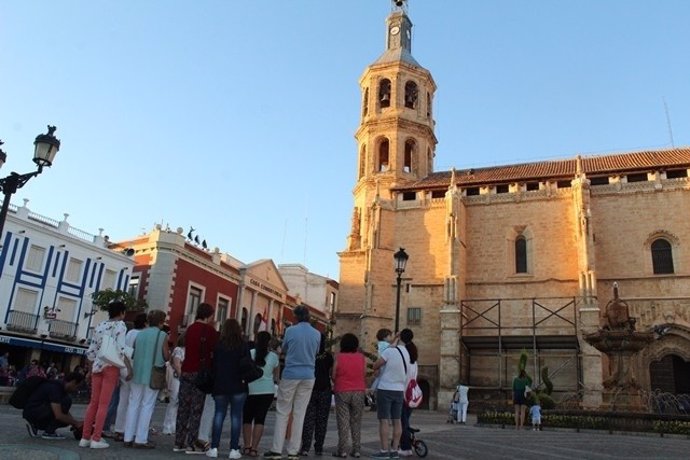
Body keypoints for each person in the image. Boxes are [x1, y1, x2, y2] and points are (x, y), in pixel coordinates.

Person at [263, 304, 320, 460]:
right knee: (300, 413)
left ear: (296, 317)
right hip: (308, 375)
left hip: (291, 373)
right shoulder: (317, 334)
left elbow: (285, 349)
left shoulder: (290, 331)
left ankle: (276, 449)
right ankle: (293, 451)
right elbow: (315, 352)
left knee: (283, 411)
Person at [80, 301, 132, 449]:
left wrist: (90, 370)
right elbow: (121, 350)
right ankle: (96, 438)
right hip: (111, 366)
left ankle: (85, 437)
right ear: (121, 312)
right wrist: (128, 368)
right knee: (104, 404)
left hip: (97, 366)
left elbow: (91, 351)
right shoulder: (121, 326)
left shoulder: (99, 325)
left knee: (93, 403)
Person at [174, 302, 219, 454]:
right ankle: (191, 444)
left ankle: (178, 442)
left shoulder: (190, 328)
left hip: (186, 370)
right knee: (196, 409)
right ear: (209, 315)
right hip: (200, 373)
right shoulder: (210, 331)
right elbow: (213, 352)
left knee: (183, 407)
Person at [123, 309, 170, 449]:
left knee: (133, 404)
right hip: (152, 373)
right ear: (161, 322)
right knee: (147, 405)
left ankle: (128, 436)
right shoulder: (162, 335)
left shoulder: (140, 334)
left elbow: (133, 352)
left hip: (137, 372)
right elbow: (166, 355)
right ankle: (141, 439)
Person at [207, 319, 250, 459]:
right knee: (236, 417)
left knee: (219, 415)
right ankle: (233, 449)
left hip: (220, 384)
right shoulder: (243, 345)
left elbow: (213, 366)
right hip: (238, 385)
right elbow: (248, 365)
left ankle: (214, 447)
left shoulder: (218, 345)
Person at [371, 332, 409, 460]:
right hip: (399, 390)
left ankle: (383, 451)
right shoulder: (407, 354)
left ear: (398, 338)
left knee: (384, 420)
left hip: (386, 388)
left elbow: (376, 365)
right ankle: (394, 451)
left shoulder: (389, 351)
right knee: (397, 420)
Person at [242, 331, 280, 458]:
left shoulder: (251, 353)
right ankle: (254, 448)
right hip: (267, 391)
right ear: (269, 342)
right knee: (260, 419)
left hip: (251, 389)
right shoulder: (274, 357)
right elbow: (276, 376)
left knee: (247, 418)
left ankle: (247, 446)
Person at [111, 312, 148, 441]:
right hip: (133, 367)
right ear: (145, 323)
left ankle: (119, 429)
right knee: (134, 401)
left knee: (123, 400)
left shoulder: (129, 333)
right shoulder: (142, 335)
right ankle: (129, 429)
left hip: (123, 367)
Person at [331, 333, 366, 459]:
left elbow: (334, 375)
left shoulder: (339, 357)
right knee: (356, 421)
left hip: (342, 390)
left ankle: (342, 450)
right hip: (358, 391)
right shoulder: (361, 357)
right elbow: (364, 373)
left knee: (343, 421)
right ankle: (356, 450)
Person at [299, 333, 334, 457]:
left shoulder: (308, 354)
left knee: (308, 419)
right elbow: (331, 372)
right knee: (322, 420)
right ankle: (319, 447)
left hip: (310, 388)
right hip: (325, 389)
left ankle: (305, 447)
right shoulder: (328, 356)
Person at [23, 371, 85, 439]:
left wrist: (73, 423)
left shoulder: (59, 386)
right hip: (33, 412)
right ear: (73, 382)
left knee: (66, 418)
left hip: (35, 410)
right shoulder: (55, 388)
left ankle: (36, 426)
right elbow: (58, 415)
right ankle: (48, 431)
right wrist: (76, 423)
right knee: (66, 402)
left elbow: (64, 411)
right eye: (77, 387)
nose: (76, 390)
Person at [398, 329, 418, 458]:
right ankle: (406, 444)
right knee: (405, 421)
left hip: (403, 394)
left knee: (402, 423)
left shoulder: (403, 358)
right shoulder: (415, 362)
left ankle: (405, 448)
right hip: (413, 395)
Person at [163, 333, 185, 435]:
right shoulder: (179, 350)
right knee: (174, 401)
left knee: (177, 402)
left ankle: (173, 425)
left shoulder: (181, 350)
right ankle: (168, 426)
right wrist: (182, 375)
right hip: (177, 378)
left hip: (179, 378)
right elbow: (177, 364)